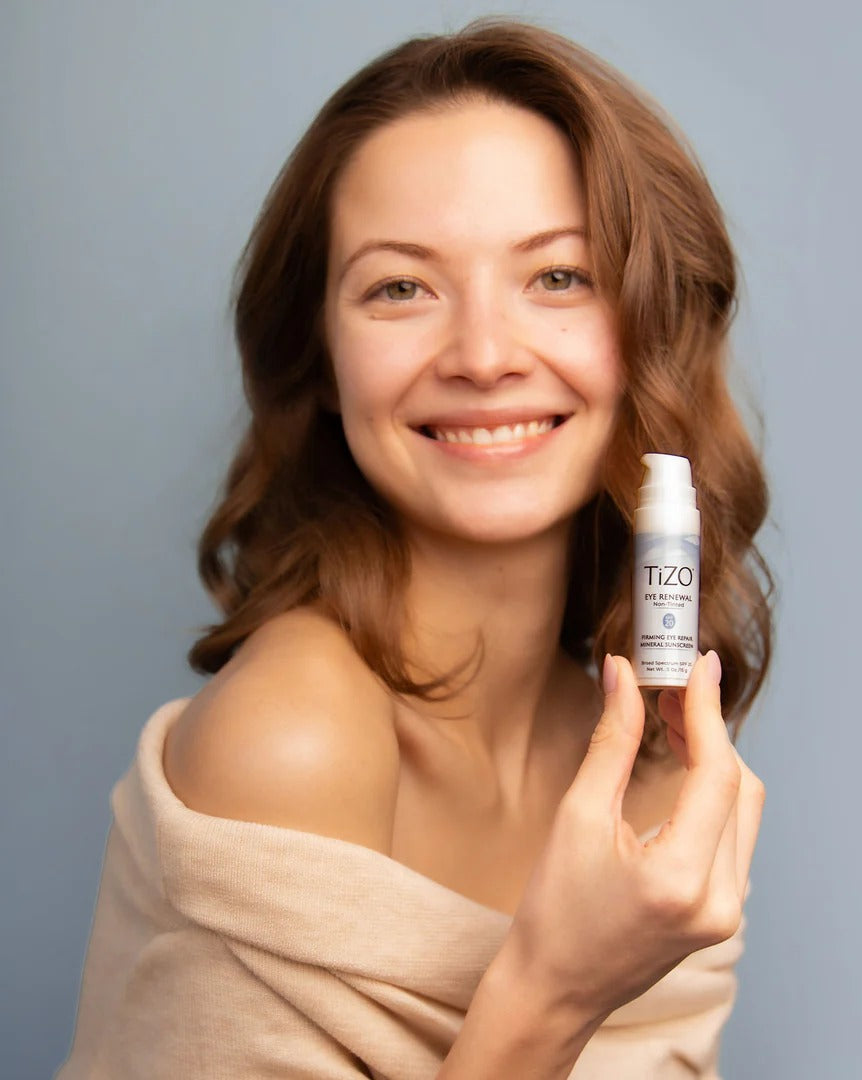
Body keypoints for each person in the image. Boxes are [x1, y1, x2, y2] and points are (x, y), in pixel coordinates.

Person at [57, 17, 774, 1080]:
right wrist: (552, 994)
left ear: (652, 323)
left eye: (559, 277)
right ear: (319, 353)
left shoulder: (653, 772)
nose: (483, 356)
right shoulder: (297, 739)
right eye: (401, 287)